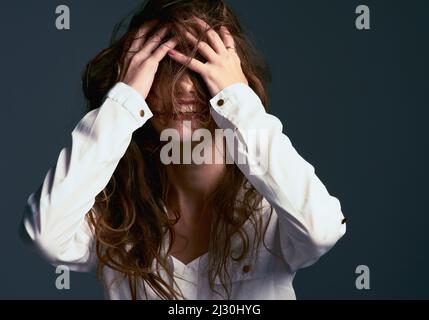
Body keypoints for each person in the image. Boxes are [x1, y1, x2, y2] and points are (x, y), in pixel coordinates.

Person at [19, 0, 346, 300]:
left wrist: (238, 101)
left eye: (203, 65)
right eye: (165, 65)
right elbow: (45, 234)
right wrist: (124, 102)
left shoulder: (274, 205)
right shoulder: (114, 216)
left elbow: (322, 230)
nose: (187, 88)